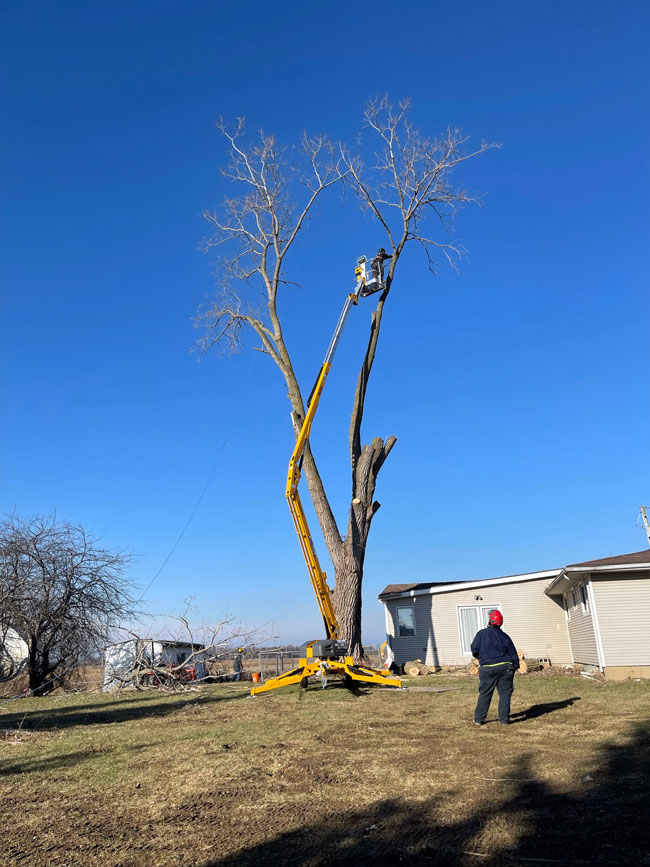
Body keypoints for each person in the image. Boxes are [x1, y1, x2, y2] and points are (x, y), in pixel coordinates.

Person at [470, 610, 519, 726]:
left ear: (490, 621)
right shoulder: (505, 636)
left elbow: (474, 649)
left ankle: (478, 719)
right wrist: (515, 666)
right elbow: (513, 653)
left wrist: (481, 657)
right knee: (505, 693)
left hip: (487, 668)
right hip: (506, 668)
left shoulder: (481, 634)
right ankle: (504, 719)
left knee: (485, 693)